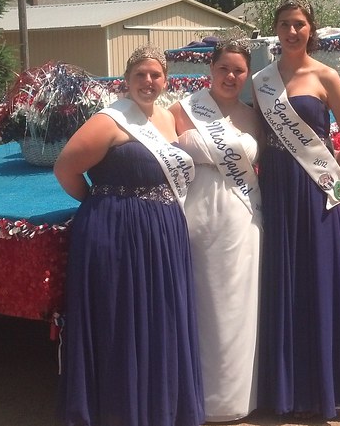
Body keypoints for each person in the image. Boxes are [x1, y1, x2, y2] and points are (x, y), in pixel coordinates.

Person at [54, 46, 203, 426]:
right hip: (118, 233)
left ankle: (158, 406)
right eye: (140, 75)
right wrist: (100, 203)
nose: (148, 82)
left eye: (155, 75)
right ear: (127, 80)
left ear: (165, 80)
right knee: (123, 320)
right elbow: (65, 169)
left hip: (163, 233)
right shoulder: (110, 121)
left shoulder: (168, 122)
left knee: (160, 320)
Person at [251, 0, 340, 419]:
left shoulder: (326, 77)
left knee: (318, 283)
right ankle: (285, 392)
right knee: (283, 283)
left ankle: (324, 390)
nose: (292, 31)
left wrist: (327, 178)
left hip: (317, 193)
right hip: (278, 193)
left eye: (299, 24)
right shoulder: (262, 80)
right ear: (276, 31)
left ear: (311, 30)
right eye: (285, 24)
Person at [169, 39, 264, 422]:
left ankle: (239, 398)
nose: (230, 76)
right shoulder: (182, 109)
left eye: (238, 70)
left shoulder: (255, 116)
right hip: (197, 217)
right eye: (224, 68)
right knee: (202, 304)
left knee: (240, 307)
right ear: (211, 68)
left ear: (246, 74)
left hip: (244, 218)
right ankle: (199, 398)